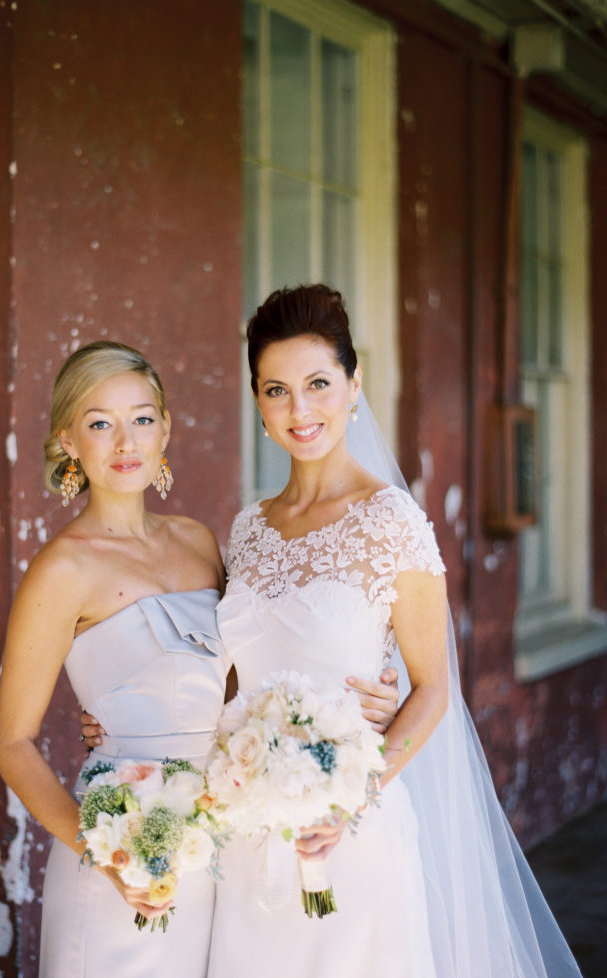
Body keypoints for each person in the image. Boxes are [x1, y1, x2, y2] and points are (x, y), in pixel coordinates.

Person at [204, 285, 582, 978]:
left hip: (350, 831)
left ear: (354, 386)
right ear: (257, 403)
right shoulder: (248, 529)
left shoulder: (392, 522)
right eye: (276, 389)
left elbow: (434, 687)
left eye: (318, 383)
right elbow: (231, 678)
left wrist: (350, 795)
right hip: (247, 836)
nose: (299, 409)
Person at [0, 339, 399, 978]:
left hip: (213, 850)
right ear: (69, 441)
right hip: (123, 860)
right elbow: (12, 743)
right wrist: (106, 851)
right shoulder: (60, 569)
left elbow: (239, 681)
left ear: (166, 431)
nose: (125, 442)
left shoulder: (198, 541)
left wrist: (363, 700)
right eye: (100, 424)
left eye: (142, 419)